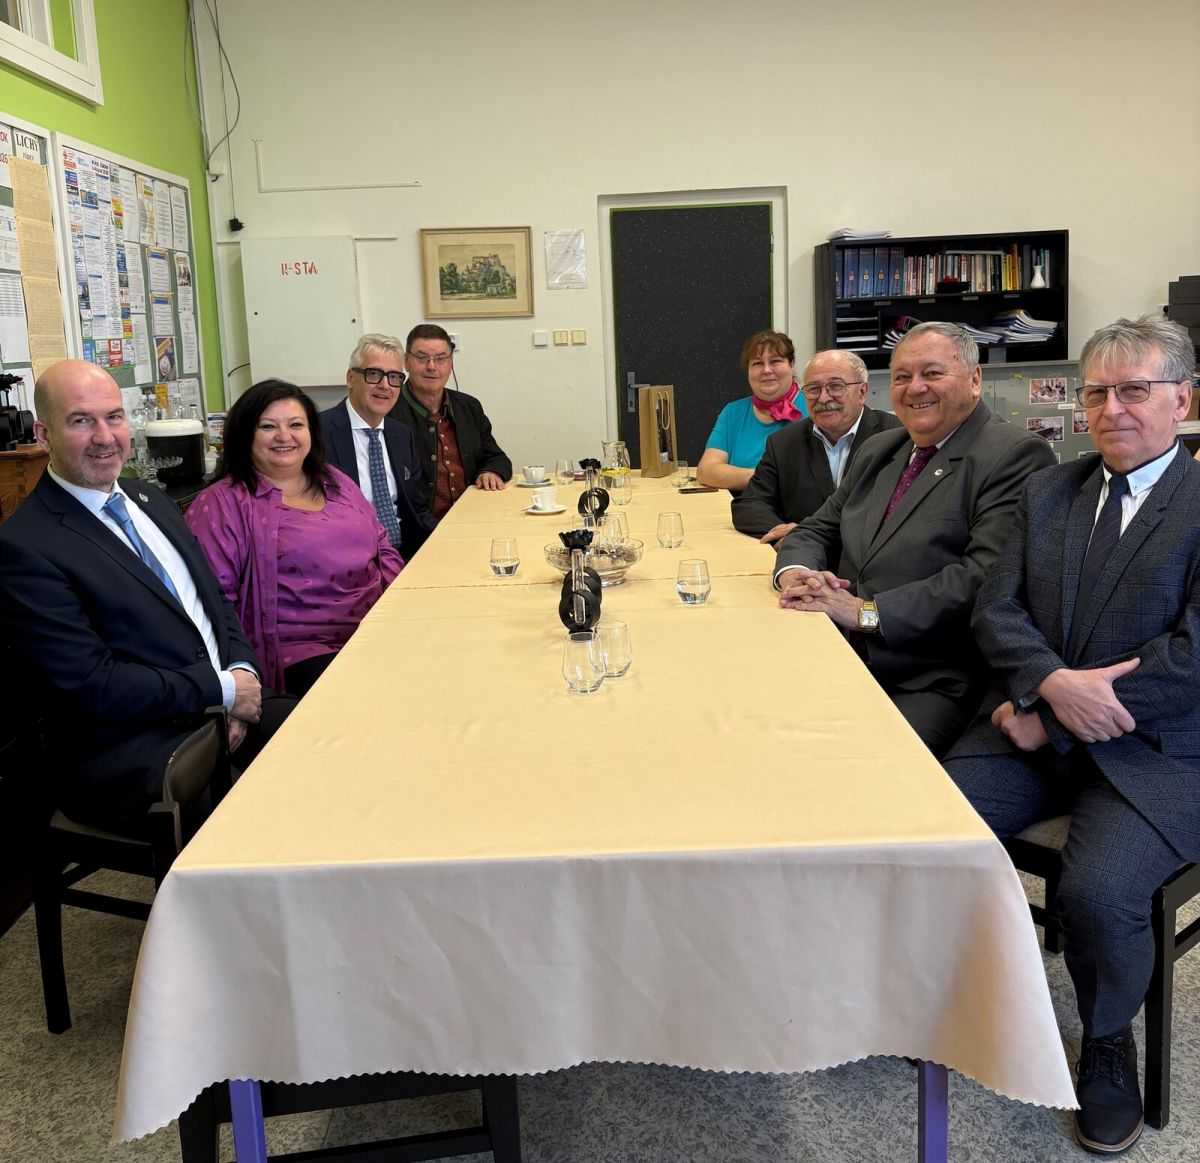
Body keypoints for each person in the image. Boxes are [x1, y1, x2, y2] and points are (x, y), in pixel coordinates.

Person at [943, 316, 1200, 1155]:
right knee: (934, 827)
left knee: (1096, 892)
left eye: (1135, 390)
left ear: (1182, 399)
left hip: (1155, 750)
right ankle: (949, 993)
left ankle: (1107, 1038)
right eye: (1097, 392)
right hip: (1031, 728)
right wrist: (1047, 684)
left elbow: (1193, 656)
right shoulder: (1051, 490)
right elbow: (996, 607)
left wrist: (1051, 709)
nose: (1112, 408)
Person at [0, 360, 286, 832]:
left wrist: (241, 672)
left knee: (329, 747)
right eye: (80, 420)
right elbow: (92, 686)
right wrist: (222, 692)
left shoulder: (149, 500)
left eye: (113, 417)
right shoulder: (26, 546)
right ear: (44, 435)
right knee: (264, 826)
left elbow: (214, 603)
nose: (104, 437)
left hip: (216, 701)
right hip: (134, 745)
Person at [774, 321, 1056, 757]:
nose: (915, 388)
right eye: (902, 377)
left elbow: (983, 578)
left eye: (932, 373)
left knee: (863, 767)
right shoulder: (880, 450)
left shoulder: (1014, 454)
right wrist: (797, 574)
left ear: (975, 379)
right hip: (837, 650)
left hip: (932, 676)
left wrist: (866, 613)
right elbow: (817, 528)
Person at [186, 380, 402, 698]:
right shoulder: (221, 503)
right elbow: (214, 602)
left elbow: (381, 544)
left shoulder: (335, 481)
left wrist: (401, 607)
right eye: (268, 426)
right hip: (300, 650)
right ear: (245, 435)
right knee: (383, 693)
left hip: (375, 627)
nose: (284, 436)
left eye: (296, 425)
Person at [732, 349, 901, 543]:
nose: (823, 398)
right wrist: (793, 536)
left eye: (836, 386)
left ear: (862, 392)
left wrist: (809, 534)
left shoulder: (897, 436)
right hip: (802, 559)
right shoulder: (783, 443)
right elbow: (749, 505)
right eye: (813, 389)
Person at [321, 333, 436, 562]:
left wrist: (446, 537)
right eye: (374, 374)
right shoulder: (318, 432)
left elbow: (417, 507)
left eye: (394, 377)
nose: (385, 386)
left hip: (405, 554)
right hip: (347, 558)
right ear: (351, 378)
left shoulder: (401, 434)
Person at [388, 323, 512, 518]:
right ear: (406, 362)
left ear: (450, 363)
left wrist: (490, 472)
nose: (431, 366)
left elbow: (497, 458)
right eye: (422, 358)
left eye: (440, 359)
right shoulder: (389, 411)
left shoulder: (468, 406)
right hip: (418, 526)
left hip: (473, 516)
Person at [696, 330, 808, 492]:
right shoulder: (732, 413)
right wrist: (764, 478)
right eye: (757, 363)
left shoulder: (813, 406)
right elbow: (706, 471)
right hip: (741, 504)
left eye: (775, 361)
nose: (767, 370)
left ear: (792, 364)